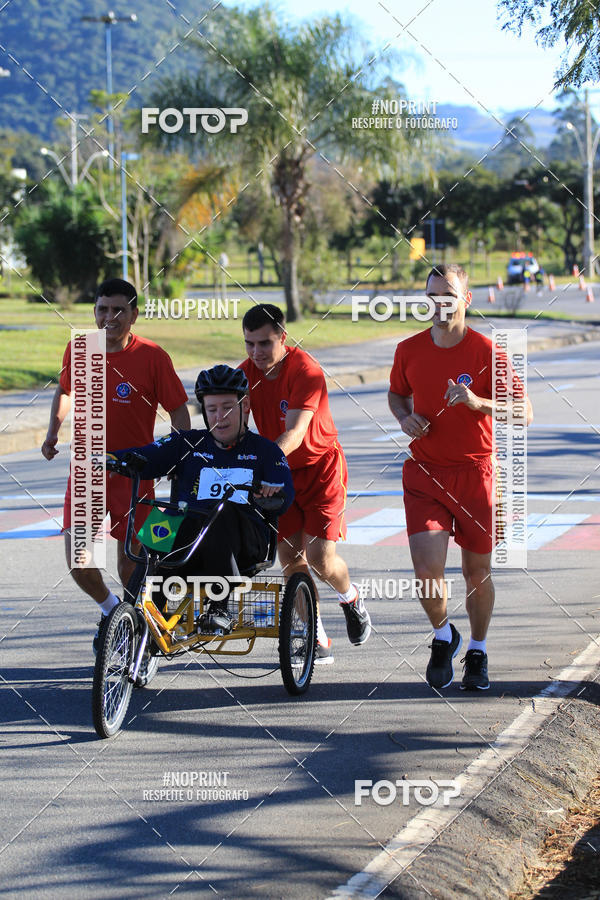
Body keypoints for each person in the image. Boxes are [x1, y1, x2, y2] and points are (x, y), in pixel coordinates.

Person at [388, 264, 533, 691]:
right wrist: (404, 417)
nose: (439, 304)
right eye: (432, 296)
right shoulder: (408, 350)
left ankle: (478, 649)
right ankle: (442, 635)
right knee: (426, 570)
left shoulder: (488, 352)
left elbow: (524, 413)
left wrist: (477, 402)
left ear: (466, 299)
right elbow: (397, 393)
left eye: (448, 295)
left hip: (476, 474)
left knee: (476, 573)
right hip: (425, 473)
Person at [41, 278, 190, 647]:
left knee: (131, 567)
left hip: (136, 473)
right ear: (94, 311)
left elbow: (178, 410)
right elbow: (65, 389)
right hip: (87, 470)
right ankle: (112, 613)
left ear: (134, 314)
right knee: (78, 559)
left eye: (119, 310)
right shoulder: (79, 348)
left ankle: (138, 625)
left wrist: (178, 456)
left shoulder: (153, 356)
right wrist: (53, 431)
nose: (110, 317)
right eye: (103, 309)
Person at [110, 365, 294, 632]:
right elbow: (147, 456)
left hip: (243, 548)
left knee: (222, 510)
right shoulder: (187, 443)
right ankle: (135, 617)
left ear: (245, 406)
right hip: (190, 545)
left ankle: (220, 607)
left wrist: (271, 493)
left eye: (228, 408)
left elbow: (284, 492)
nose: (220, 417)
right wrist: (110, 458)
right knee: (162, 522)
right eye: (212, 409)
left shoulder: (266, 451)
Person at [240, 303, 371, 662]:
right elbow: (232, 427)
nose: (256, 352)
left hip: (320, 469)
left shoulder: (305, 370)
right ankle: (315, 636)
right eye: (249, 343)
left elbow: (296, 432)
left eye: (265, 343)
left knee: (320, 559)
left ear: (283, 337)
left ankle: (350, 597)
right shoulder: (244, 375)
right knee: (290, 559)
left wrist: (265, 464)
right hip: (281, 476)